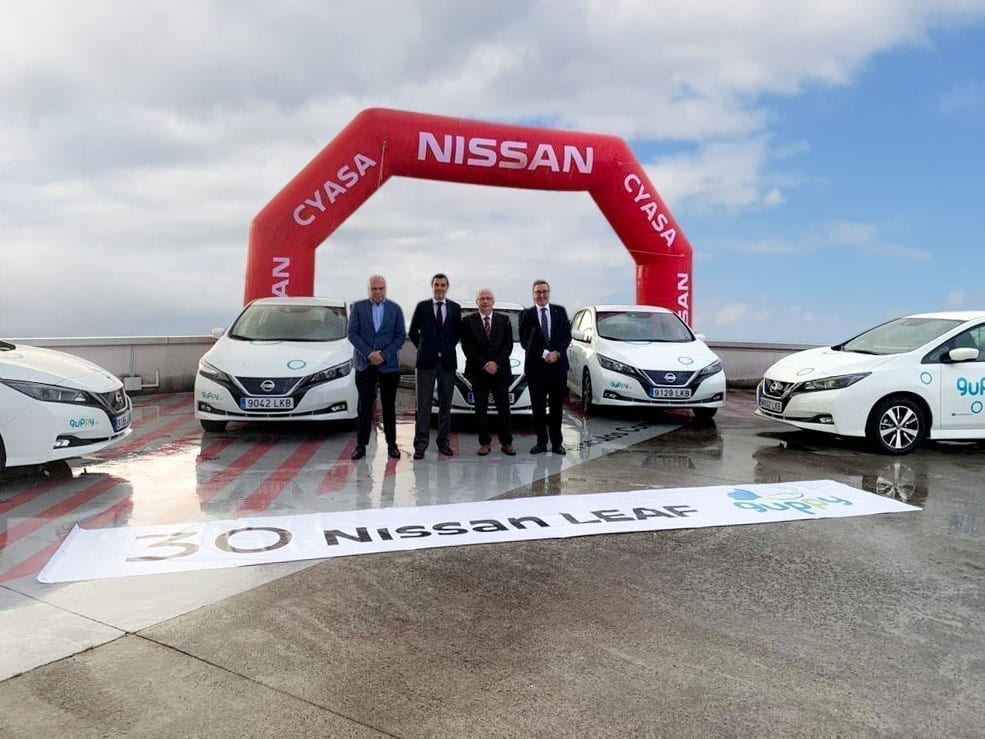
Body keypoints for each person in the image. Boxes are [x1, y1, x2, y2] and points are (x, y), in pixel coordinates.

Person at [347, 275, 407, 460]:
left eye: (381, 288)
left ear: (385, 289)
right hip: (365, 365)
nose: (378, 292)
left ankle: (392, 445)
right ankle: (361, 445)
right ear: (369, 290)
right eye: (374, 289)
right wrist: (369, 353)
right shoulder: (358, 307)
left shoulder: (395, 309)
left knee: (389, 407)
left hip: (388, 366)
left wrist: (383, 355)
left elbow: (400, 336)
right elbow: (352, 334)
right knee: (364, 406)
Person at [408, 273, 462, 460]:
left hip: (447, 362)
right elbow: (413, 331)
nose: (439, 288)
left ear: (447, 287)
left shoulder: (455, 308)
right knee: (423, 405)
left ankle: (443, 442)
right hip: (426, 362)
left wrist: (445, 348)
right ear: (432, 286)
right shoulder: (423, 307)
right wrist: (425, 348)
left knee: (445, 404)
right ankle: (421, 444)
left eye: (443, 285)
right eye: (436, 284)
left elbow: (457, 333)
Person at [460, 288, 516, 456]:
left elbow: (508, 345)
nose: (485, 301)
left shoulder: (504, 320)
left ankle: (506, 442)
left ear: (493, 301)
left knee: (504, 408)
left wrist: (495, 363)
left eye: (488, 298)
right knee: (481, 409)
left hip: (500, 371)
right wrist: (485, 364)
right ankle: (484, 443)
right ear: (476, 302)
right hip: (479, 372)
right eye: (481, 298)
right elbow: (467, 347)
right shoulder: (468, 321)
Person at [519, 279, 571, 454]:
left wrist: (557, 353)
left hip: (558, 367)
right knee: (538, 407)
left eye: (544, 291)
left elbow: (567, 337)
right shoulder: (526, 314)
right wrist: (544, 354)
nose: (541, 295)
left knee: (556, 407)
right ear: (533, 294)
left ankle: (557, 443)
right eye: (538, 292)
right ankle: (541, 442)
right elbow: (526, 340)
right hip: (536, 368)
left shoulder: (560, 312)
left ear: (549, 293)